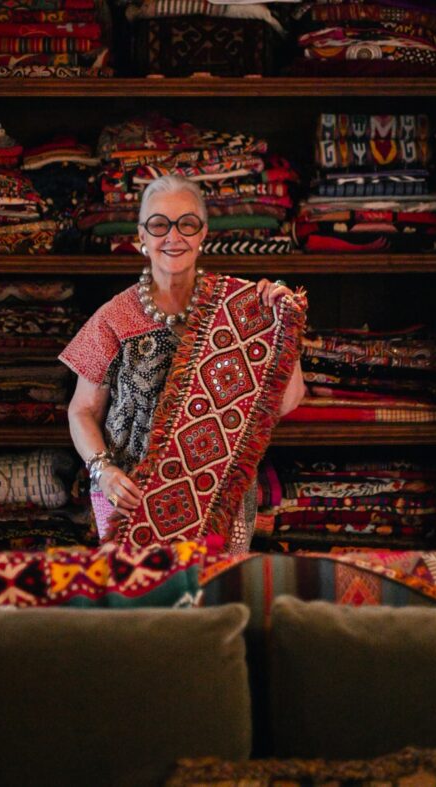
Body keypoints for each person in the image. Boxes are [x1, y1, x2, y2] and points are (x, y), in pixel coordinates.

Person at [60, 174, 306, 551]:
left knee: (216, 588)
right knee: (139, 589)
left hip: (218, 500)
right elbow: (81, 411)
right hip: (130, 499)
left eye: (186, 224)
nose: (173, 237)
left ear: (203, 232)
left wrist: (280, 323)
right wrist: (103, 471)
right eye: (159, 224)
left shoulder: (241, 307)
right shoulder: (113, 317)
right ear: (141, 235)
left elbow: (287, 401)